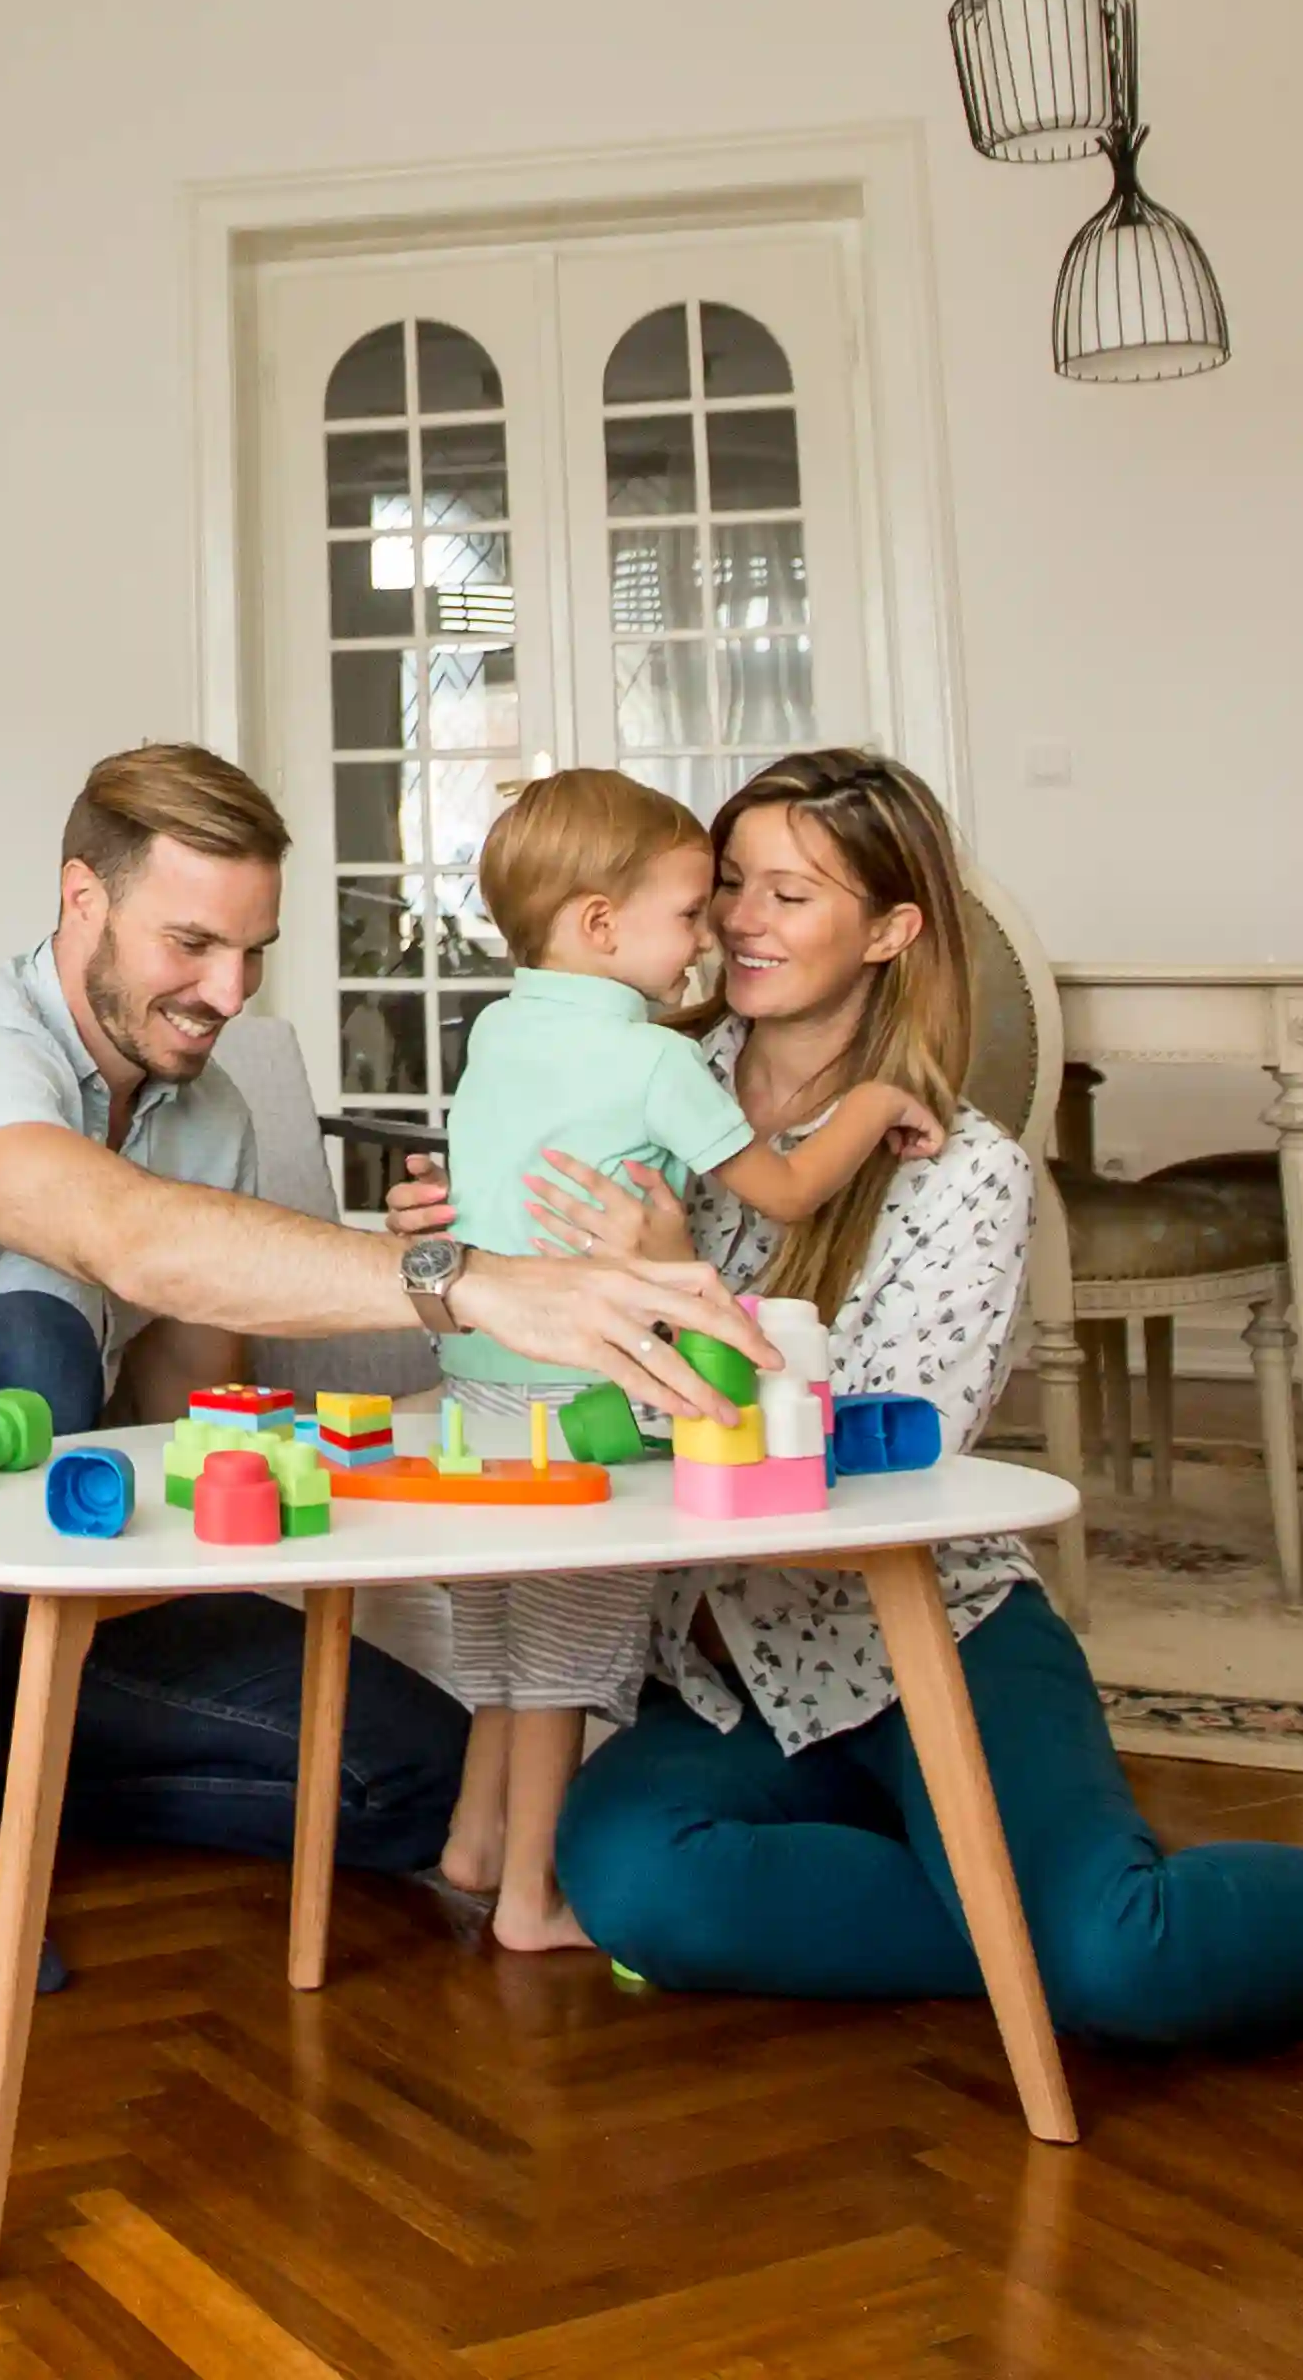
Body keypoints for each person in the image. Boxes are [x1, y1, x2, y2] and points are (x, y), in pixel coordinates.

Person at [396, 748, 1303, 2056]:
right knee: (642, 1890)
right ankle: (1218, 1942)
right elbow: (519, 1322)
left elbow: (882, 1474)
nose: (739, 923)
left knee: (1116, 1964)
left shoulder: (965, 1174)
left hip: (919, 1639)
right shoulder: (628, 1086)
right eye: (725, 888)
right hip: (720, 1677)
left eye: (789, 892)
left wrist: (673, 1287)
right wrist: (470, 1247)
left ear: (891, 931)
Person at [0, 742, 770, 1994]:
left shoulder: (208, 1115)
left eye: (253, 952)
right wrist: (463, 1282)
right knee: (27, 1337)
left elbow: (189, 1411)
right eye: (191, 944)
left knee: (407, 1781)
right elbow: (124, 1240)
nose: (228, 990)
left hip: (30, 1555)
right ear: (81, 898)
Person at [423, 767, 938, 1951]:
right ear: (603, 926)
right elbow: (795, 1184)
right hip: (583, 1393)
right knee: (559, 1659)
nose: (711, 938)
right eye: (691, 912)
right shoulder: (657, 1063)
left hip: (480, 1381)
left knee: (502, 1642)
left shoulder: (500, 1028)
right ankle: (530, 1901)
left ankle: (471, 1839)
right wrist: (875, 1105)